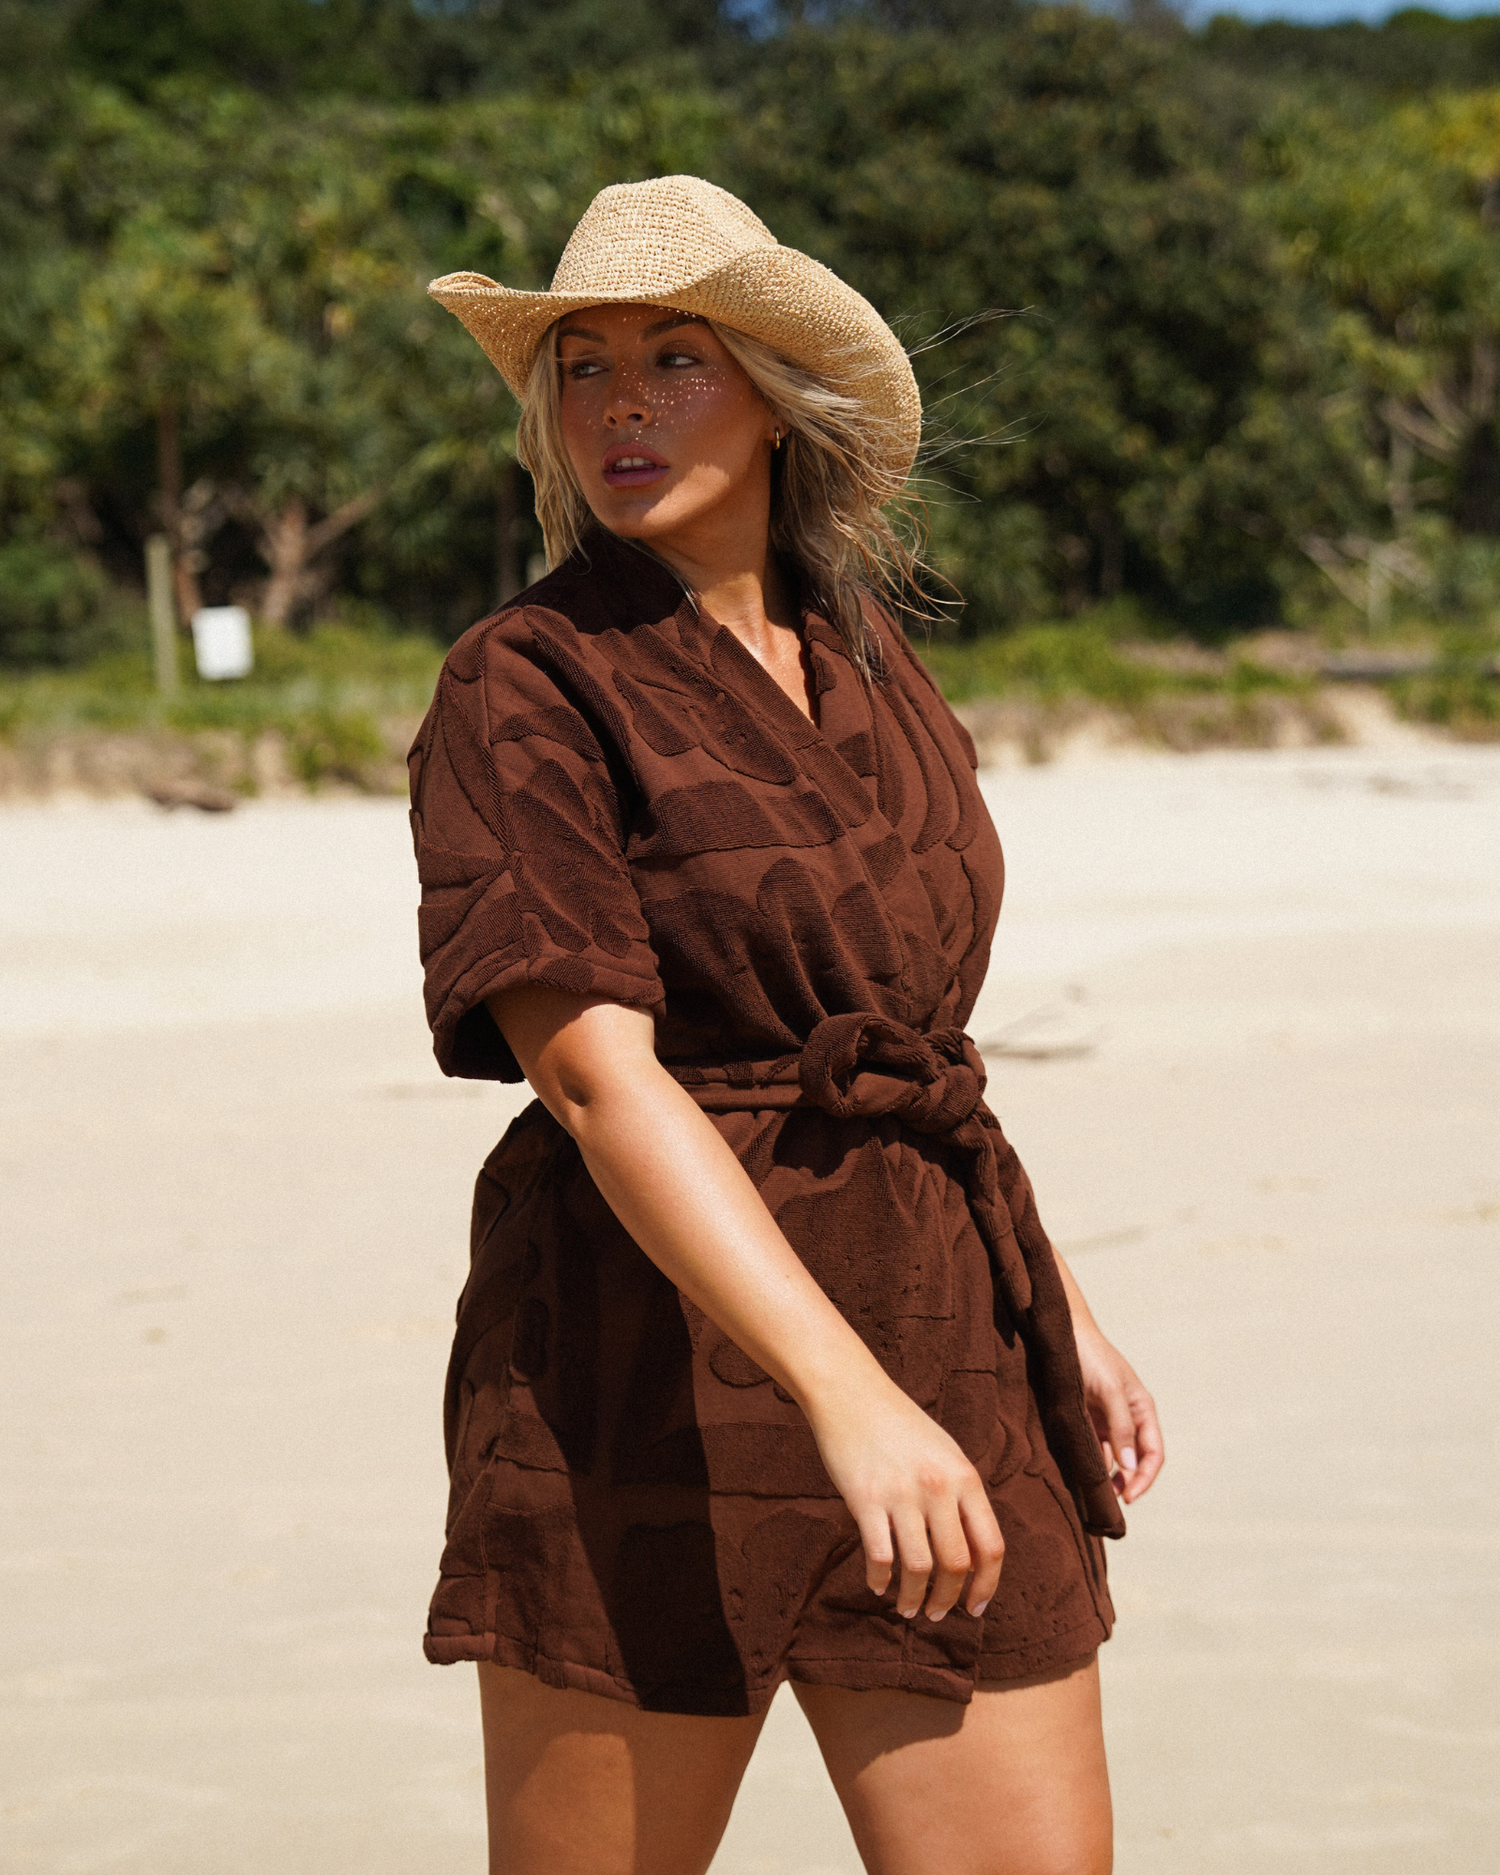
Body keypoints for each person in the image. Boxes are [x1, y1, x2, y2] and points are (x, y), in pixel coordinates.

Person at [409, 175, 1163, 1875]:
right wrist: (842, 1390)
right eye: (583, 366)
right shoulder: (523, 680)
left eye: (676, 357)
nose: (621, 403)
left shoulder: (871, 656)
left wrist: (1063, 1305)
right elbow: (599, 1078)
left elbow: (911, 1047)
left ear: (772, 393)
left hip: (944, 1320)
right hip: (647, 1360)